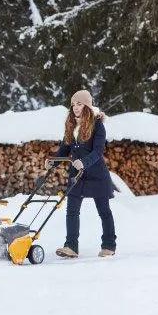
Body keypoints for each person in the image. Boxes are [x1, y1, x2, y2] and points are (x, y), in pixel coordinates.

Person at [54, 90, 117, 258]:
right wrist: (53, 162)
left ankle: (109, 245)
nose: (75, 107)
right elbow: (64, 149)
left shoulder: (97, 125)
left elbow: (98, 151)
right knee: (72, 211)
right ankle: (71, 246)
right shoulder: (71, 125)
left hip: (97, 175)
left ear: (87, 106)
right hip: (77, 175)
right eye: (73, 104)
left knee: (104, 211)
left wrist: (84, 162)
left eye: (79, 104)